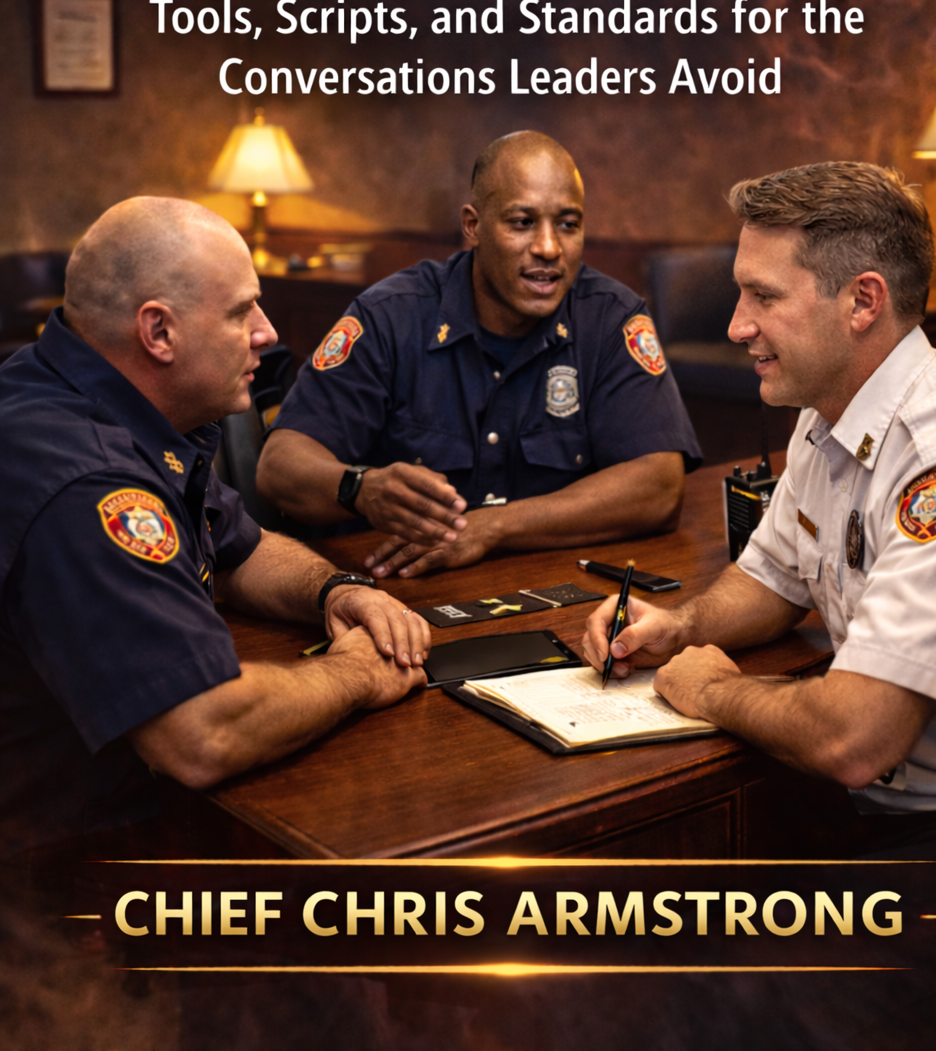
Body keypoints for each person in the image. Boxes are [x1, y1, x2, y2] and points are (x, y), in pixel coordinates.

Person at [582, 160, 936, 1044]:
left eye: (761, 296)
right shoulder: (830, 411)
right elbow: (773, 576)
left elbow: (853, 738)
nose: (737, 324)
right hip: (873, 810)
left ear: (862, 301)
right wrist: (680, 628)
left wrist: (708, 689)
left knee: (713, 1003)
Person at [0, 198, 430, 857]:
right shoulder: (87, 481)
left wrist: (342, 591)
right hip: (57, 877)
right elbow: (201, 734)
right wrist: (355, 676)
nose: (266, 332)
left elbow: (240, 549)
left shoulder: (110, 403)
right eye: (240, 312)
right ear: (159, 333)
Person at [257, 131, 701, 579]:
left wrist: (491, 528)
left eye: (568, 223)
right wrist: (360, 488)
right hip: (396, 594)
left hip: (550, 587)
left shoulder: (609, 318)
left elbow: (659, 486)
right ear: (473, 226)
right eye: (522, 222)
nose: (549, 247)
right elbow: (279, 467)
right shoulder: (391, 316)